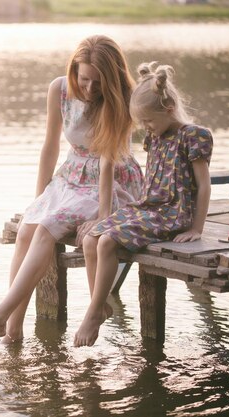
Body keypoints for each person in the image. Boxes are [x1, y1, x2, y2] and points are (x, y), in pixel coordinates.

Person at [0, 35, 144, 350]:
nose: (89, 88)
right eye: (84, 79)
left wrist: (103, 216)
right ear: (75, 70)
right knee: (27, 229)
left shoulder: (121, 99)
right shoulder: (59, 89)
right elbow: (50, 145)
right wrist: (39, 199)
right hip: (71, 174)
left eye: (97, 83)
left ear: (111, 80)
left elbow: (107, 164)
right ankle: (12, 332)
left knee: (46, 230)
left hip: (110, 180)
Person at [74, 62, 213, 347]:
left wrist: (197, 228)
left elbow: (204, 186)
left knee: (107, 241)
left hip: (173, 213)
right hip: (148, 207)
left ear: (170, 108)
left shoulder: (193, 136)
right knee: (91, 237)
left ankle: (92, 314)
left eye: (149, 121)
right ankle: (98, 306)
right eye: (143, 123)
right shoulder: (155, 136)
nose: (146, 128)